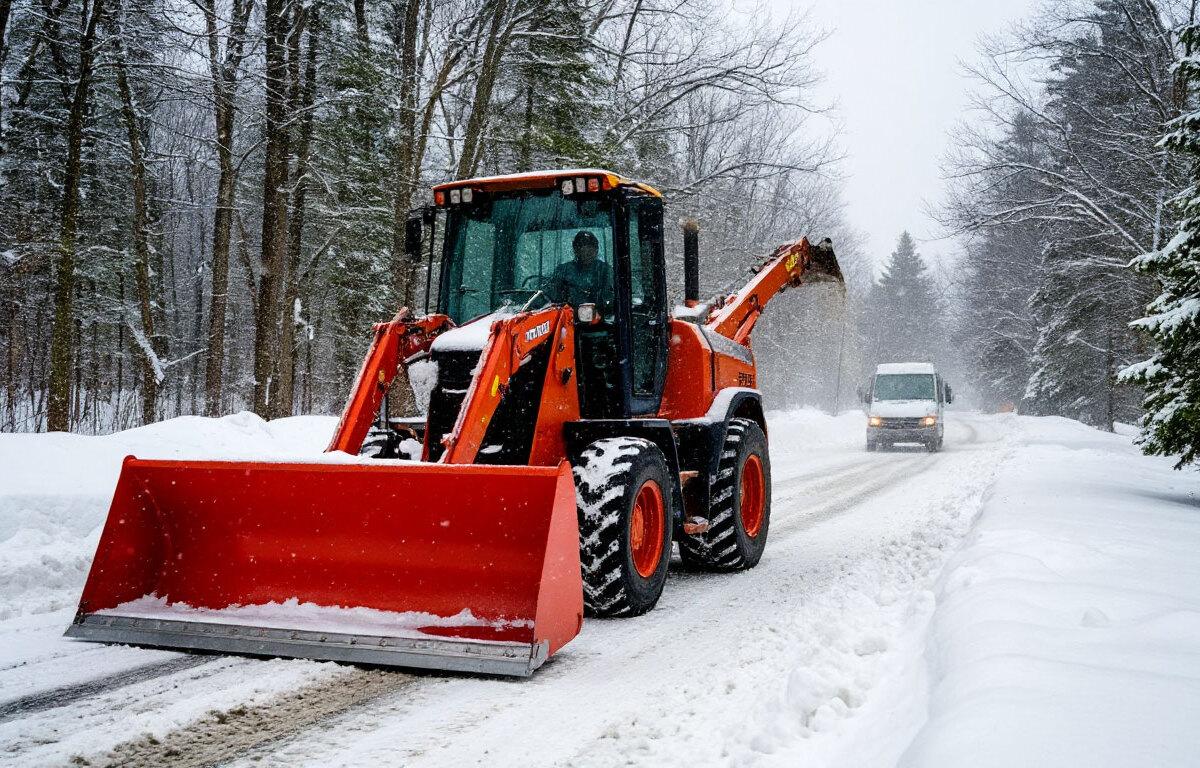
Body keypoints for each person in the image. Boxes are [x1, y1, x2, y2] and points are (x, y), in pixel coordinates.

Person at [549, 231, 613, 309]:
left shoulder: (605, 270)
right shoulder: (563, 270)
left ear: (596, 250)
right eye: (582, 246)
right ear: (575, 250)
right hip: (569, 314)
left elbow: (611, 297)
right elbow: (553, 298)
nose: (587, 250)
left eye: (591, 246)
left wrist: (603, 307)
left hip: (601, 314)